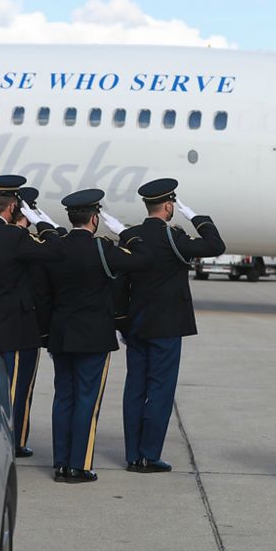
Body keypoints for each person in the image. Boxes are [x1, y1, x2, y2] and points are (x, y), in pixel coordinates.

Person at [43, 189, 152, 483]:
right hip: (92, 336)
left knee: (63, 398)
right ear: (95, 218)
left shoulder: (57, 248)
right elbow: (143, 259)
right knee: (86, 400)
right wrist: (124, 232)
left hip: (62, 334)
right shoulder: (102, 249)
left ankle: (61, 464)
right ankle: (80, 465)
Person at [117, 178, 225, 473]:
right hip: (166, 325)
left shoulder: (130, 236)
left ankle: (131, 454)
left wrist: (122, 321)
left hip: (136, 323)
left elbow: (121, 282)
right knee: (161, 389)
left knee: (135, 388)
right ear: (168, 206)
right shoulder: (173, 238)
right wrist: (196, 217)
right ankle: (148, 455)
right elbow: (216, 245)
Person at [0, 175, 65, 458]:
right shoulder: (16, 237)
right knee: (17, 390)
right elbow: (56, 250)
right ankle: (13, 442)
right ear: (13, 207)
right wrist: (41, 222)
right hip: (18, 329)